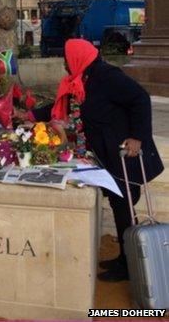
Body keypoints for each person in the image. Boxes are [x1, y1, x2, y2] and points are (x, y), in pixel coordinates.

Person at [33, 39, 164, 282]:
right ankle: (125, 257)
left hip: (124, 153)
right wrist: (30, 114)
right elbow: (62, 106)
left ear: (78, 58)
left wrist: (138, 137)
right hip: (108, 153)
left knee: (123, 203)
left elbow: (140, 99)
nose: (64, 64)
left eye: (66, 59)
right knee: (119, 204)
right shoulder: (83, 79)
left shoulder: (107, 77)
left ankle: (128, 265)